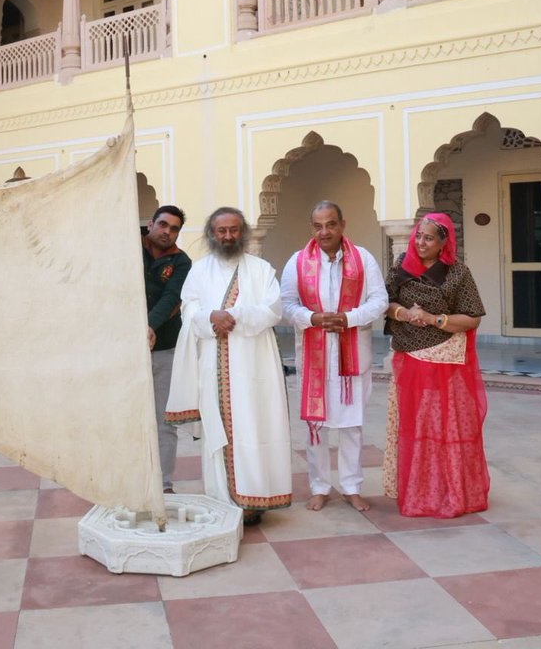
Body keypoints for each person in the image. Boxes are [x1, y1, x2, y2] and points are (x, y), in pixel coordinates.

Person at [165, 207, 292, 525]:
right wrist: (210, 317)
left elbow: (273, 308)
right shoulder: (199, 270)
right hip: (214, 365)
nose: (228, 236)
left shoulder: (262, 270)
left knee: (255, 425)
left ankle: (253, 500)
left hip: (254, 366)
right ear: (211, 233)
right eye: (221, 231)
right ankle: (221, 500)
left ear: (243, 232)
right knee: (216, 431)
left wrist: (233, 317)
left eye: (233, 230)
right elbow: (189, 307)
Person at [281, 201, 388, 512]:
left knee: (351, 424)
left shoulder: (363, 258)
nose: (324, 231)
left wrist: (349, 318)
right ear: (311, 227)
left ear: (343, 224)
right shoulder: (298, 261)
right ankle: (319, 486)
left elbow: (380, 299)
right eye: (317, 226)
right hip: (314, 356)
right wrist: (311, 318)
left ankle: (352, 487)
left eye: (330, 224)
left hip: (352, 352)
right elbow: (286, 303)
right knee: (316, 424)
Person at [382, 213, 489, 518]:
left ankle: (451, 490)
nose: (421, 243)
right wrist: (405, 314)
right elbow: (385, 301)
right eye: (418, 236)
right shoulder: (403, 265)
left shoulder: (457, 273)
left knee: (445, 425)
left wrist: (433, 319)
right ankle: (418, 489)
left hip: (445, 361)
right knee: (416, 425)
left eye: (428, 238)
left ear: (444, 243)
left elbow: (473, 316)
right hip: (410, 360)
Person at [143, 205, 192, 494]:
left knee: (164, 420)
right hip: (123, 348)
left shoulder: (182, 262)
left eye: (174, 229)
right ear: (151, 223)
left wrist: (147, 327)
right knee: (126, 417)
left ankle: (163, 485)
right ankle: (131, 480)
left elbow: (172, 297)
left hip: (164, 349)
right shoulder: (128, 245)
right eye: (163, 224)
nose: (167, 232)